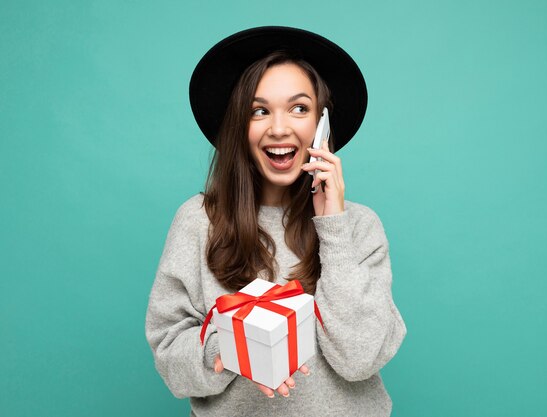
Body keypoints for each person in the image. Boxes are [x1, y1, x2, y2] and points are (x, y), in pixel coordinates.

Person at [145, 26, 406, 417]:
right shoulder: (199, 221)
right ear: (239, 125)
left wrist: (332, 225)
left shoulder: (360, 227)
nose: (279, 128)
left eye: (299, 108)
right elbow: (171, 359)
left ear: (322, 124)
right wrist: (232, 348)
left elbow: (360, 357)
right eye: (259, 110)